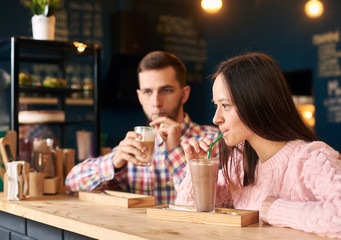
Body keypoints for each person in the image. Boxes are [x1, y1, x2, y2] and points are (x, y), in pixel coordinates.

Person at [175, 52, 341, 238]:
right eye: (216, 105)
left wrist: (276, 210)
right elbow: (186, 213)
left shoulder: (311, 158)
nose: (216, 118)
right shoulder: (239, 164)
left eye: (226, 105)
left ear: (256, 103)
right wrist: (196, 169)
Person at [65, 51, 219, 204]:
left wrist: (174, 150)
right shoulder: (136, 145)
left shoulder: (211, 140)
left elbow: (211, 201)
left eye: (166, 90)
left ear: (184, 94)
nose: (156, 102)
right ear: (140, 97)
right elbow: (71, 183)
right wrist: (114, 161)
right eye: (147, 92)